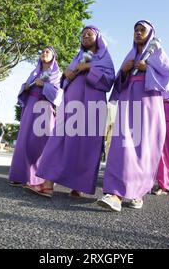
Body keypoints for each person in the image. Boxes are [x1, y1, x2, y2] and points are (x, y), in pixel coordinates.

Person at [97, 20, 169, 211]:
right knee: (122, 145)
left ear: (150, 33)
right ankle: (115, 194)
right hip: (129, 102)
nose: (138, 33)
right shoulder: (130, 54)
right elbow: (118, 84)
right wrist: (125, 71)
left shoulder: (158, 53)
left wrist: (148, 69)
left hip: (148, 102)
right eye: (135, 30)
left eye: (142, 30)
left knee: (143, 148)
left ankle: (137, 192)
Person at [28, 26, 115, 198]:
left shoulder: (104, 57)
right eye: (83, 35)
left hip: (92, 103)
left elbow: (109, 81)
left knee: (86, 143)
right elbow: (64, 80)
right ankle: (47, 184)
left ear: (98, 37)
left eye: (89, 34)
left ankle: (78, 187)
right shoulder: (77, 56)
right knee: (60, 138)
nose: (85, 37)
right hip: (72, 101)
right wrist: (67, 74)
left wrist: (89, 67)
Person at [8, 46, 62, 187]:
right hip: (30, 106)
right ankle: (20, 175)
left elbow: (56, 93)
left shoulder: (56, 73)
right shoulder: (35, 72)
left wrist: (44, 85)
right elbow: (26, 87)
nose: (44, 53)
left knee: (40, 142)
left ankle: (39, 178)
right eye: (42, 51)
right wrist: (25, 87)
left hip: (44, 108)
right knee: (24, 140)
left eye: (47, 52)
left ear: (53, 56)